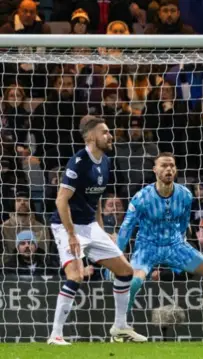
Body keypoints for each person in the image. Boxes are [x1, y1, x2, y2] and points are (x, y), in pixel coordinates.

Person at [48, 116, 146, 345]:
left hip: (90, 225)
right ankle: (55, 335)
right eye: (105, 132)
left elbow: (97, 197)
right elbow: (61, 201)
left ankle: (120, 327)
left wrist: (102, 231)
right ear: (91, 137)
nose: (110, 136)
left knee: (125, 271)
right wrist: (71, 234)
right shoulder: (78, 162)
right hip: (66, 225)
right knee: (76, 275)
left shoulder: (106, 161)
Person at [116, 152, 203, 342]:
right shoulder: (141, 197)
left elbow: (184, 222)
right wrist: (118, 257)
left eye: (172, 166)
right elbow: (126, 229)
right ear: (155, 170)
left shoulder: (185, 194)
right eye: (164, 166)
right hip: (147, 246)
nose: (169, 169)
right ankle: (120, 327)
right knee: (134, 282)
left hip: (176, 245)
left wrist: (182, 242)